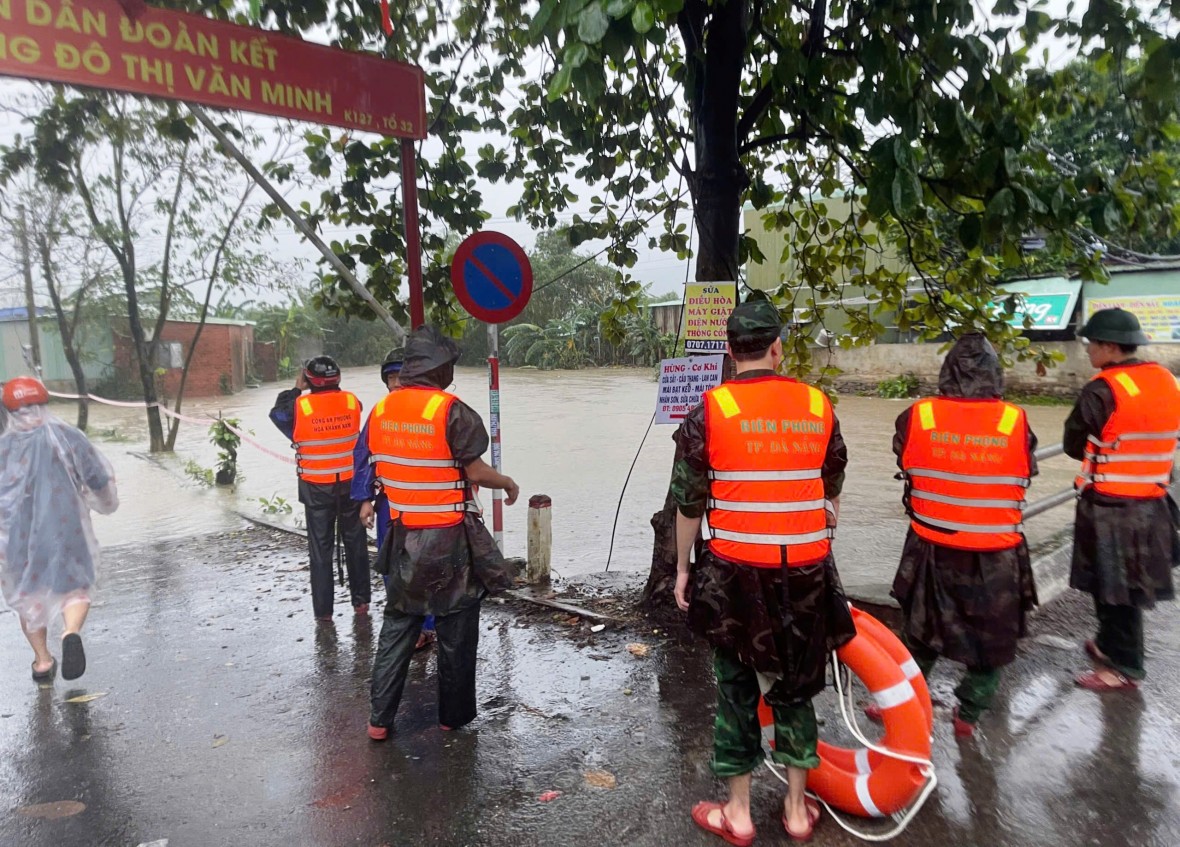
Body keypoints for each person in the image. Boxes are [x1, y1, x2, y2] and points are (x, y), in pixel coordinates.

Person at [672, 296, 855, 844]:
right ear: (778, 348)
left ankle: (739, 812)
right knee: (797, 687)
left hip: (733, 576)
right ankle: (798, 812)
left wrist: (682, 570)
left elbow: (688, 503)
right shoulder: (819, 406)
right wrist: (817, 544)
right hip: (804, 572)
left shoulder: (711, 409)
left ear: (730, 352)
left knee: (734, 689)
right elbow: (832, 486)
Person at [361, 326, 519, 739]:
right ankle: (453, 717)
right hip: (449, 540)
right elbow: (476, 471)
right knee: (456, 630)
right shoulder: (452, 411)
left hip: (402, 536)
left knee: (397, 626)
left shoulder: (380, 411)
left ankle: (379, 720)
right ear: (439, 368)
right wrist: (507, 483)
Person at [888, 333, 1039, 737]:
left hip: (932, 549)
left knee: (919, 632)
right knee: (991, 642)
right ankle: (968, 714)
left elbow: (903, 453)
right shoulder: (1015, 421)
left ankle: (902, 705)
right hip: (997, 553)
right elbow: (1027, 471)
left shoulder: (919, 415)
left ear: (946, 373)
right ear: (996, 375)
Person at [1064, 308, 1180, 692]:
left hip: (1112, 507)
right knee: (1114, 587)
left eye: (1091, 345)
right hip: (1153, 502)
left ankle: (1125, 669)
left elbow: (1072, 444)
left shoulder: (1103, 389)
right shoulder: (1166, 379)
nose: (1088, 353)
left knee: (1118, 592)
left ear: (1109, 346)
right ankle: (1108, 645)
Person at [0, 376, 119, 683]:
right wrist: (107, 503)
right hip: (67, 529)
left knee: (28, 596)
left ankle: (42, 662)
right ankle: (70, 632)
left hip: (17, 538)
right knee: (75, 589)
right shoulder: (67, 436)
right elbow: (97, 477)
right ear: (44, 401)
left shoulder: (3, 447)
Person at [269, 356, 371, 623]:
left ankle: (323, 612)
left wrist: (296, 388)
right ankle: (361, 604)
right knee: (356, 545)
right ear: (338, 378)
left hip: (316, 489)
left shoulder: (298, 407)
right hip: (350, 486)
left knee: (320, 550)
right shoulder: (352, 402)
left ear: (308, 380)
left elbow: (277, 414)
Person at [351, 346, 437, 649]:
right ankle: (410, 626)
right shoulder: (379, 413)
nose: (397, 383)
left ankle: (429, 626)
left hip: (431, 504)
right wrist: (365, 499)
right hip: (391, 505)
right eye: (391, 377)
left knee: (428, 567)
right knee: (394, 568)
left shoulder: (435, 408)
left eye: (402, 376)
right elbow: (364, 456)